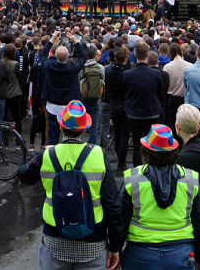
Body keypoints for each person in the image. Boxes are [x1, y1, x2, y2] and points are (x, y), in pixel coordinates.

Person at [18, 100, 122, 270]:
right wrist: (115, 246)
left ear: (61, 127)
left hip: (55, 241)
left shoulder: (48, 155)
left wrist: (40, 152)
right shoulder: (98, 154)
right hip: (93, 244)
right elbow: (112, 204)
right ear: (84, 129)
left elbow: (23, 174)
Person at [117, 124, 200, 270]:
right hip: (182, 254)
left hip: (139, 253)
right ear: (173, 151)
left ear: (146, 151)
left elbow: (120, 221)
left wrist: (114, 251)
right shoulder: (190, 179)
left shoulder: (133, 179)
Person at [124, 42, 164, 167]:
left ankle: (137, 170)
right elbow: (160, 92)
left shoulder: (127, 74)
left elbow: (126, 91)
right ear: (147, 55)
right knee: (152, 143)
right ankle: (152, 167)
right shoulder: (156, 74)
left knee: (137, 144)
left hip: (134, 113)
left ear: (135, 54)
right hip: (152, 112)